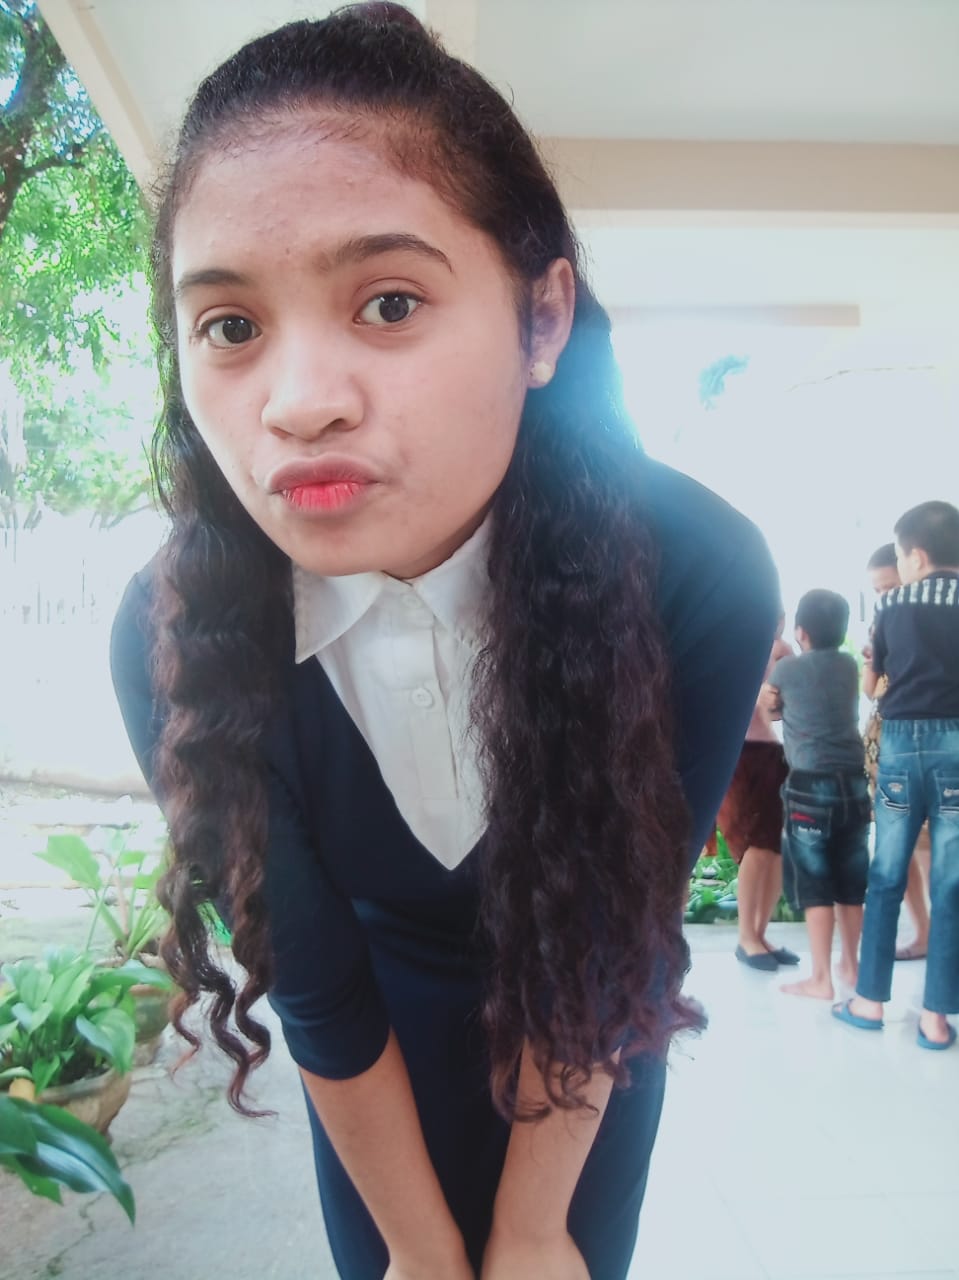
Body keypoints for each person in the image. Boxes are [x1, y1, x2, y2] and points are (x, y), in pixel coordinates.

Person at [109, 7, 778, 1278]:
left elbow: (612, 926)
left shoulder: (696, 574)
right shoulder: (172, 632)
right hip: (371, 1067)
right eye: (231, 326)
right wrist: (418, 1249)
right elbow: (316, 977)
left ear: (541, 322)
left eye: (389, 301)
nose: (299, 403)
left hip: (584, 1041)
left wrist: (529, 1229)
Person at [835, 502, 959, 1050]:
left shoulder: (891, 604)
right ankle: (936, 1018)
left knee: (886, 873)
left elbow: (874, 681)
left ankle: (869, 1002)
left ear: (917, 557)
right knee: (951, 880)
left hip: (902, 744)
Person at [761, 591, 871, 999]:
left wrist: (768, 696)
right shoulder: (847, 666)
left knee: (816, 883)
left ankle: (821, 978)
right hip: (854, 784)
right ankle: (852, 966)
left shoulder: (787, 669)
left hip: (809, 787)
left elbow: (771, 711)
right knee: (850, 881)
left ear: (800, 632)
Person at [711, 616, 796, 971]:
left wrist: (774, 693)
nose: (779, 620)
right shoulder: (731, 646)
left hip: (771, 752)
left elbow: (780, 709)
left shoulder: (780, 649)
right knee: (756, 847)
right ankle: (747, 936)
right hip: (740, 753)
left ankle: (759, 934)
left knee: (774, 847)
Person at [862, 543, 931, 961]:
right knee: (901, 849)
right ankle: (925, 933)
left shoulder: (930, 619)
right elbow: (870, 688)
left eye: (889, 586)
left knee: (926, 846)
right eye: (877, 591)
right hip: (885, 743)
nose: (883, 597)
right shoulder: (886, 621)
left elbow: (872, 685)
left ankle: (938, 937)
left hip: (919, 744)